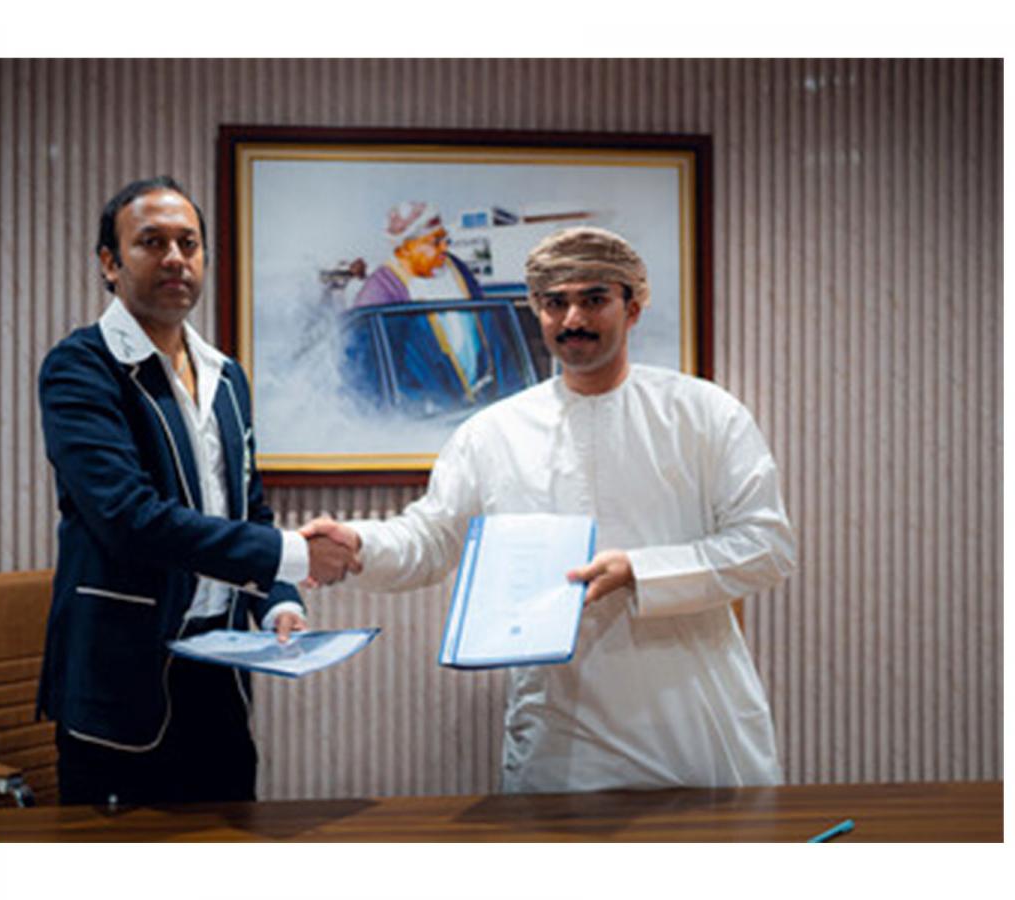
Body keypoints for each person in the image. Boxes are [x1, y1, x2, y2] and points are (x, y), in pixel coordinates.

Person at [306, 226, 797, 793]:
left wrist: (639, 571)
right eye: (555, 302)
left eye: (594, 299)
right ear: (536, 311)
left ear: (633, 308)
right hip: (562, 743)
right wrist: (360, 545)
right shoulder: (494, 433)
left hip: (696, 730)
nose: (572, 319)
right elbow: (432, 537)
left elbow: (767, 548)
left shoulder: (705, 414)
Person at [36, 175, 358, 806]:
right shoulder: (81, 368)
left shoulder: (226, 376)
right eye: (151, 242)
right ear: (110, 263)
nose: (175, 258)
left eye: (189, 243)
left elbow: (249, 508)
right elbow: (129, 518)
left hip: (220, 677)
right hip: (121, 682)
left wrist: (278, 600)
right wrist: (293, 554)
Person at [347, 201, 525, 414]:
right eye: (435, 241)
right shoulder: (382, 291)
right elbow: (368, 373)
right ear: (406, 248)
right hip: (429, 414)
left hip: (482, 403)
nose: (444, 247)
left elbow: (492, 336)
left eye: (444, 239)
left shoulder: (457, 269)